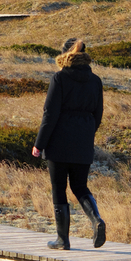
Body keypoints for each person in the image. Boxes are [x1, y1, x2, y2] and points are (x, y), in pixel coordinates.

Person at [32, 38, 106, 250]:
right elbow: (98, 115)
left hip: (58, 143)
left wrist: (39, 143)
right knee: (80, 186)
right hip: (83, 142)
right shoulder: (95, 81)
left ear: (64, 55)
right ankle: (96, 220)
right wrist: (86, 134)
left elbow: (50, 114)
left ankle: (62, 240)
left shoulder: (60, 78)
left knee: (59, 188)